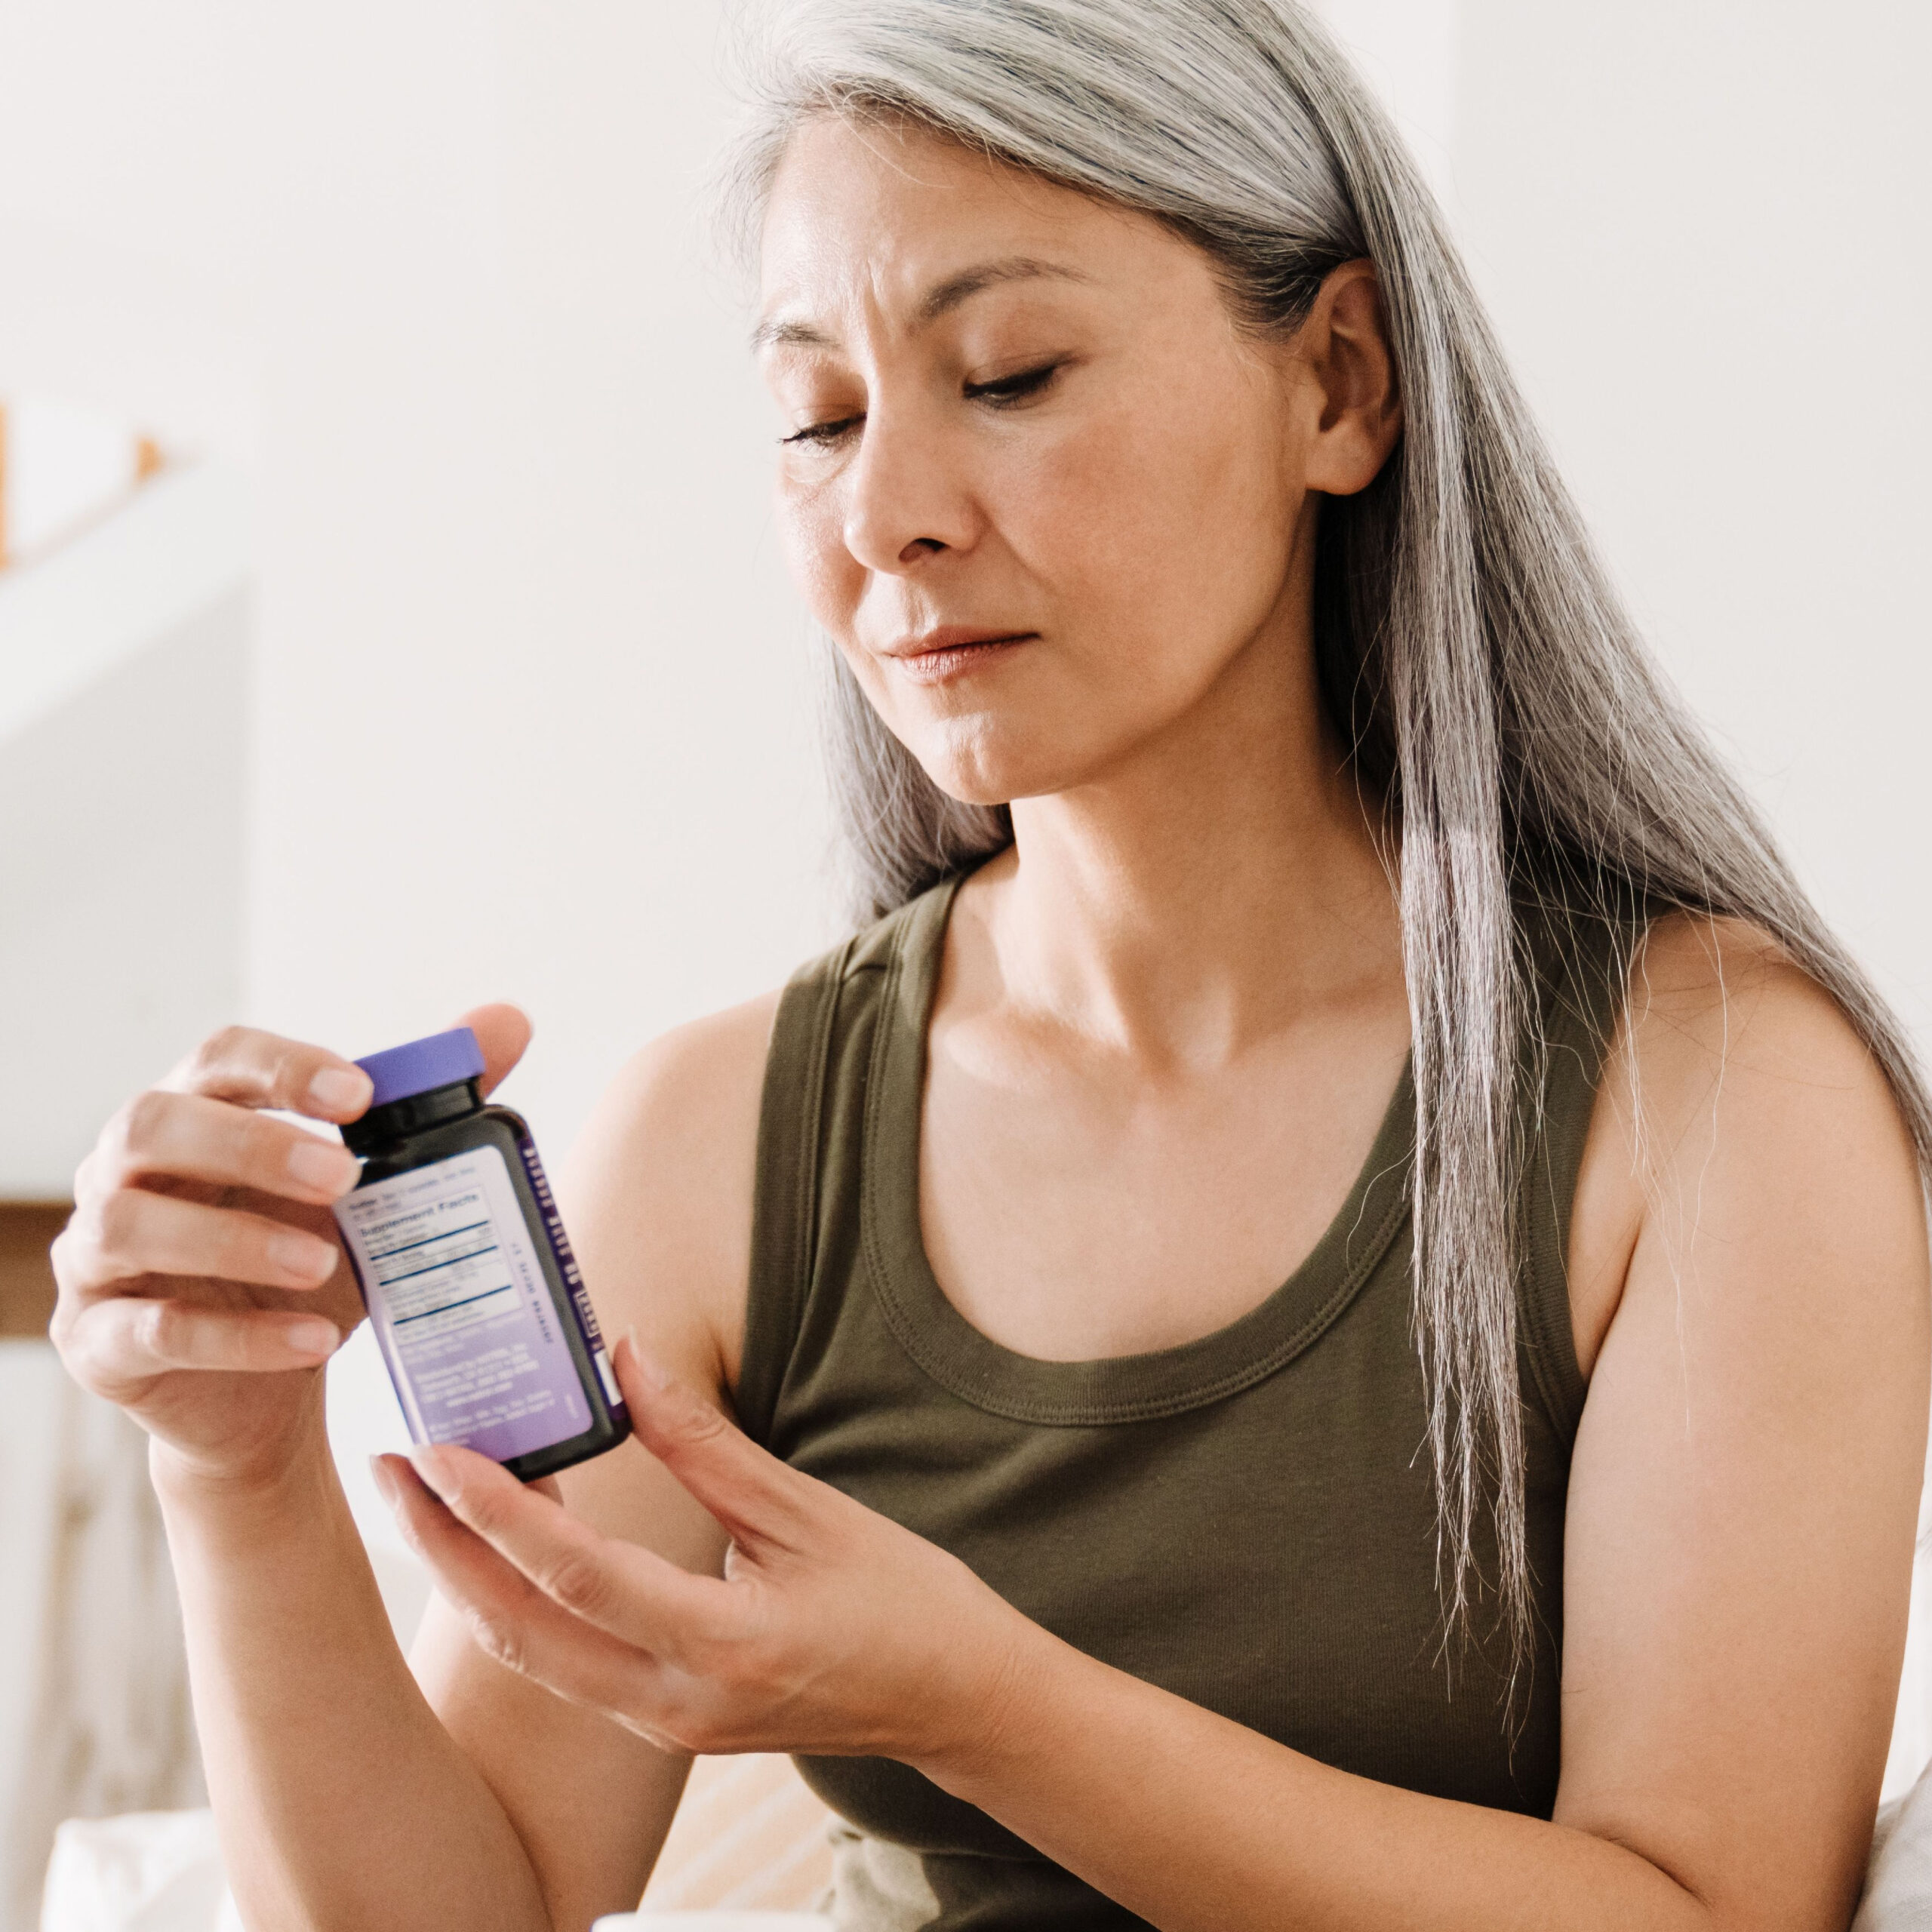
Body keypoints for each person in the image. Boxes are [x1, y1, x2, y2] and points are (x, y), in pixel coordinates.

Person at [48, 2, 1932, 1928]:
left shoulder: (1710, 1090)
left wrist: (977, 1702)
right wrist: (236, 1461)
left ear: (1340, 384)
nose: (884, 514)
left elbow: (1706, 1910)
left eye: (1009, 373)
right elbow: (473, 1907)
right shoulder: (725, 1134)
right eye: (819, 417)